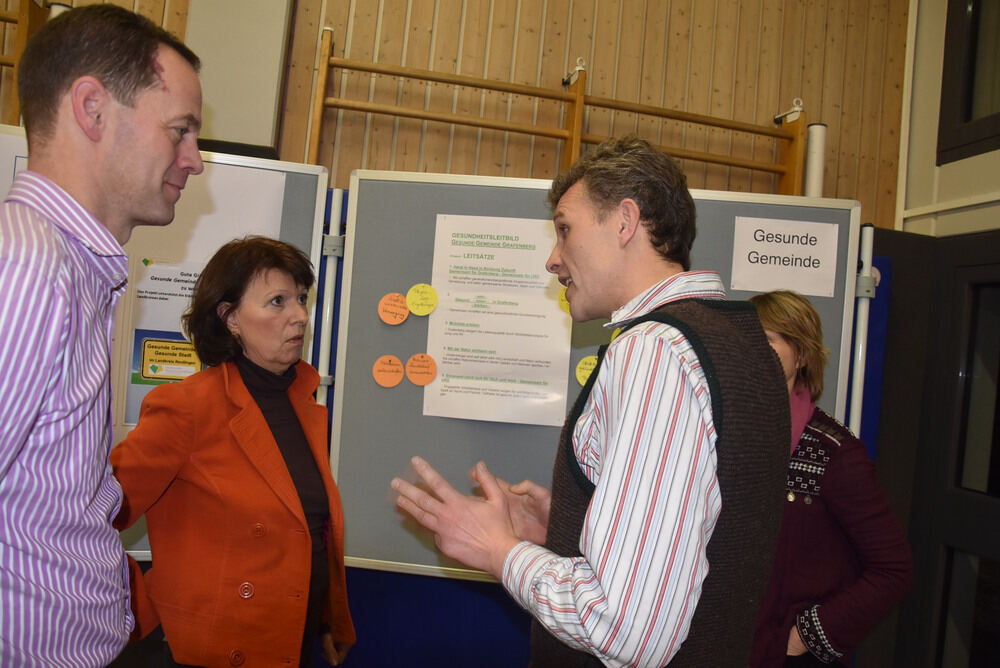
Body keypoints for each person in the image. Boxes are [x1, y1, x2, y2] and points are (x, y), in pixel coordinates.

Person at [391, 135, 790, 666]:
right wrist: (567, 529)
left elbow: (626, 629)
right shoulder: (741, 342)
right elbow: (702, 531)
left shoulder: (657, 351)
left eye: (564, 229)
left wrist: (498, 550)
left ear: (625, 222)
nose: (553, 260)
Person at [0, 5, 203, 665]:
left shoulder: (72, 265)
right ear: (92, 108)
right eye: (180, 131)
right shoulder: (28, 264)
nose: (194, 161)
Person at [110, 237, 355, 667]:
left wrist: (328, 618)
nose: (300, 315)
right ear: (230, 318)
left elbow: (310, 530)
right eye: (277, 301)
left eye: (300, 298)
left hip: (289, 642)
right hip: (213, 650)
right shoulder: (185, 407)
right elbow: (86, 515)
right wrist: (137, 609)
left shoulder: (304, 404)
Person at [748, 290, 912, 666]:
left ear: (802, 355)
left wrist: (800, 639)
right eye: (746, 339)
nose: (752, 350)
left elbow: (893, 569)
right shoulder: (728, 433)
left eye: (767, 340)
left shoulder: (835, 452)